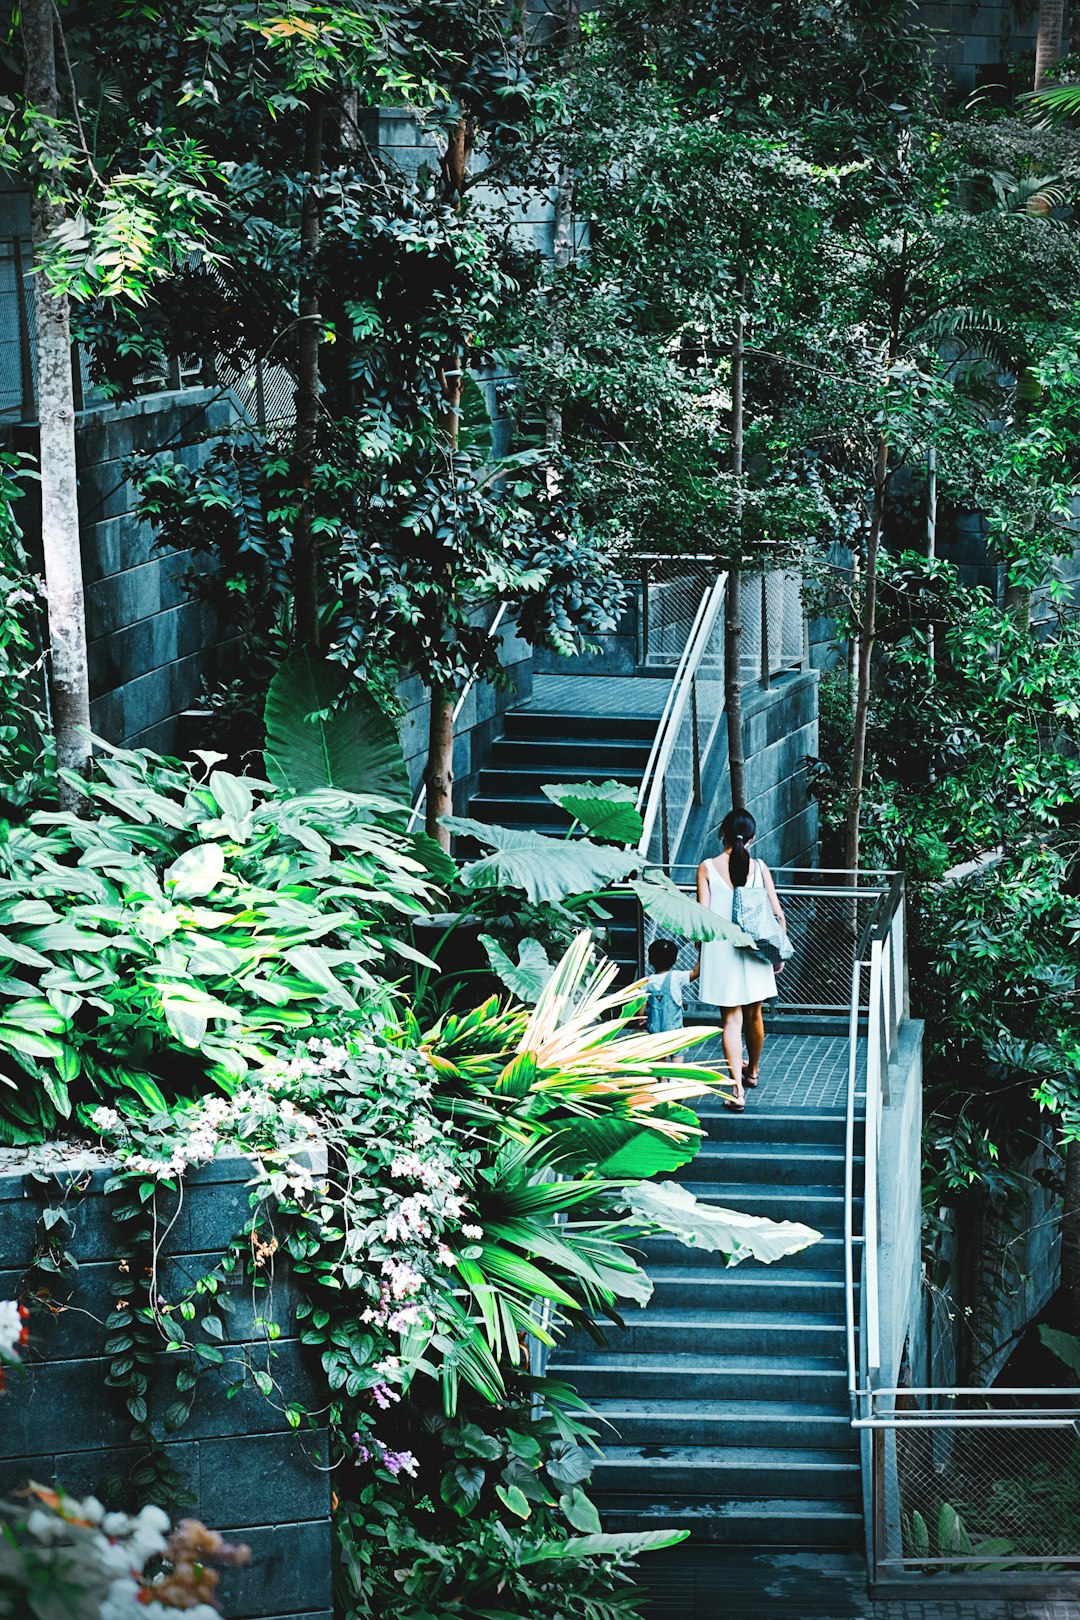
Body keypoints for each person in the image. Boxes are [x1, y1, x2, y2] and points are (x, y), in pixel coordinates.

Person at [696, 808, 785, 1110]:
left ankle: (736, 1091)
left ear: (722, 833)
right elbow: (777, 913)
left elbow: (703, 919)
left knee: (730, 1021)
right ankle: (754, 1070)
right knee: (754, 1015)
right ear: (753, 837)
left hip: (721, 950)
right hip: (756, 948)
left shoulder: (707, 867)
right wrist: (778, 952)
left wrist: (700, 955)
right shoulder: (760, 868)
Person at [644, 937, 699, 1033]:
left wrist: (640, 1020)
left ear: (649, 960)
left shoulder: (646, 982)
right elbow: (695, 973)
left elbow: (641, 1008)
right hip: (674, 1035)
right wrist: (701, 952)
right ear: (675, 960)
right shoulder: (676, 977)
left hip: (654, 1035)